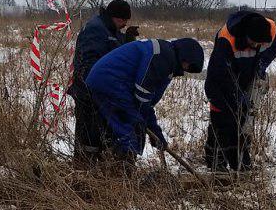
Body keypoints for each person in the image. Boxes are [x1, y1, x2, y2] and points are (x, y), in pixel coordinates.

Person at [83, 37, 205, 165]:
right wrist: (148, 126)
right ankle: (122, 174)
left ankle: (115, 168)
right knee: (131, 129)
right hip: (110, 83)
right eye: (189, 65)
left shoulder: (167, 59)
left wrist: (155, 131)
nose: (186, 69)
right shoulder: (162, 57)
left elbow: (147, 102)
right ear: (185, 56)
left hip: (110, 83)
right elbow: (142, 98)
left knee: (128, 127)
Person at [203, 10, 276, 172]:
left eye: (259, 44)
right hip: (226, 77)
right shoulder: (226, 40)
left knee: (244, 119)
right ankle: (215, 161)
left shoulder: (271, 30)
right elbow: (216, 77)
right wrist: (227, 98)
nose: (256, 46)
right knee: (222, 119)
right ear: (245, 35)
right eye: (253, 42)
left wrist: (262, 63)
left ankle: (239, 161)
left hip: (248, 76)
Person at [69, 0, 139, 164]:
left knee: (99, 137)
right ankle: (83, 172)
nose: (124, 24)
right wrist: (96, 89)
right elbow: (89, 64)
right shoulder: (95, 29)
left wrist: (128, 40)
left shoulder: (108, 28)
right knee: (88, 139)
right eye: (123, 21)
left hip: (100, 93)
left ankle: (97, 171)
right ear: (115, 17)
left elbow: (113, 47)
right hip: (88, 93)